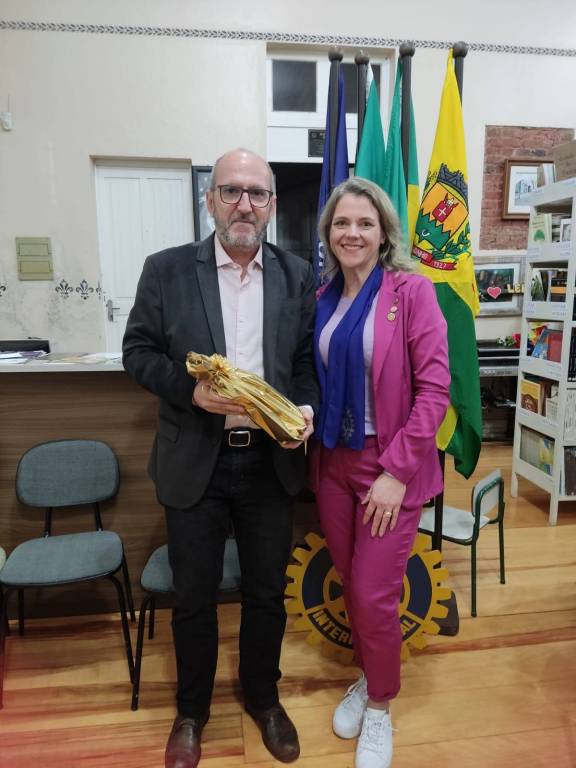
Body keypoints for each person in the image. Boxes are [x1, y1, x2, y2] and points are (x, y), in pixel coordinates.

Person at [123, 148, 318, 768]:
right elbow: (138, 352)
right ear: (210, 201)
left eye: (257, 193)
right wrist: (190, 392)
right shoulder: (166, 270)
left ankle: (264, 699)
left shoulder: (296, 274)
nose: (244, 205)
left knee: (266, 593)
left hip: (269, 463)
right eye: (231, 191)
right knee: (193, 596)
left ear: (272, 205)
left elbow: (306, 362)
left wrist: (304, 410)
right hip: (196, 461)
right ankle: (192, 712)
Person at [309, 177, 450, 768]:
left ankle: (380, 708)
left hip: (389, 465)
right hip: (332, 463)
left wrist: (395, 472)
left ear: (384, 232)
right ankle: (368, 677)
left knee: (373, 594)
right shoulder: (323, 298)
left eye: (365, 223)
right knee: (350, 583)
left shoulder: (412, 293)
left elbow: (435, 391)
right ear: (328, 233)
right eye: (342, 223)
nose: (353, 233)